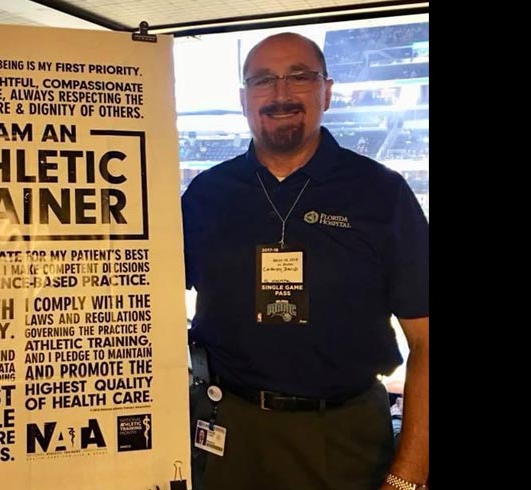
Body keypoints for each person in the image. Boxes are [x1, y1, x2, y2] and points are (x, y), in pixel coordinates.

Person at [182, 32, 428, 490]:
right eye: (262, 81)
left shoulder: (382, 195)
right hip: (225, 430)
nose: (280, 95)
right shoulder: (205, 196)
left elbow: (428, 342)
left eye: (299, 77)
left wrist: (408, 476)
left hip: (342, 437)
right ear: (243, 99)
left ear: (327, 92)